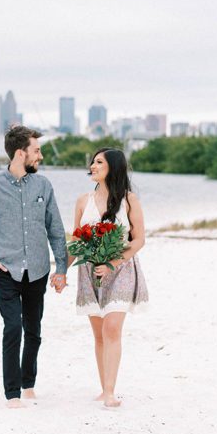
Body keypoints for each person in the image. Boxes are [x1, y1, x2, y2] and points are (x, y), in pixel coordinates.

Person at [0, 125, 68, 408]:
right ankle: (12, 392)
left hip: (37, 269)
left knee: (33, 329)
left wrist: (61, 269)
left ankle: (28, 383)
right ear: (21, 152)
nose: (41, 156)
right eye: (36, 150)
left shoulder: (43, 186)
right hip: (5, 271)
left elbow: (56, 230)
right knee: (13, 327)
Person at [71, 148, 149, 408]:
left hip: (122, 270)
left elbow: (138, 240)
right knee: (99, 335)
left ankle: (110, 393)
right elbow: (76, 241)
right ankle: (104, 387)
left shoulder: (129, 200)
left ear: (112, 167)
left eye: (99, 162)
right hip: (90, 273)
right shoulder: (83, 201)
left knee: (112, 328)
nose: (92, 166)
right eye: (92, 161)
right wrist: (61, 271)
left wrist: (113, 264)